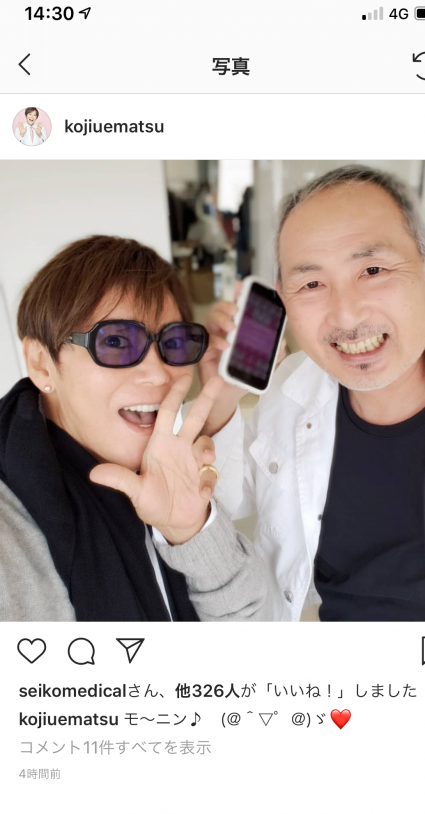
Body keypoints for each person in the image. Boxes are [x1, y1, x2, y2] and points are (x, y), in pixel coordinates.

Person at [199, 164, 425, 622]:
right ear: (282, 298)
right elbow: (224, 500)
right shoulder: (292, 389)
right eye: (312, 284)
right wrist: (220, 401)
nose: (346, 315)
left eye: (373, 269)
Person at [0, 235, 270, 622]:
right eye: (114, 341)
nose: (158, 373)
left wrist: (192, 531)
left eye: (173, 342)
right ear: (43, 364)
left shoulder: (168, 461)